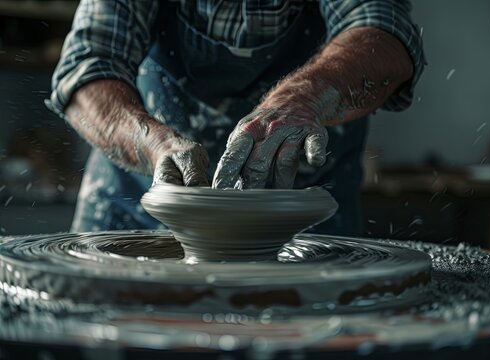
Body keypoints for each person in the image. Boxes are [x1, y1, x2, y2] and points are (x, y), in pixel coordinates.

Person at [47, 0, 425, 236]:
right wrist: (153, 145)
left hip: (300, 219)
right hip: (139, 204)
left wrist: (303, 99)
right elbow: (86, 66)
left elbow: (386, 34)